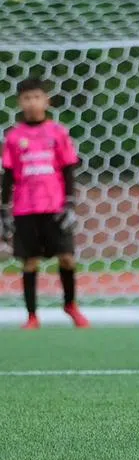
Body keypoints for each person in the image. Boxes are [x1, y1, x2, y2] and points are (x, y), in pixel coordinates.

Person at [1, 77, 88, 330]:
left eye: (37, 97)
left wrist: (70, 203)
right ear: (20, 102)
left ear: (46, 101)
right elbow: (7, 175)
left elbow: (68, 168)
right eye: (27, 98)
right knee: (30, 261)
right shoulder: (14, 137)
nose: (32, 103)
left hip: (55, 207)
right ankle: (32, 316)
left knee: (67, 258)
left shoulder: (58, 132)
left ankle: (70, 305)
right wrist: (3, 209)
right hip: (25, 208)